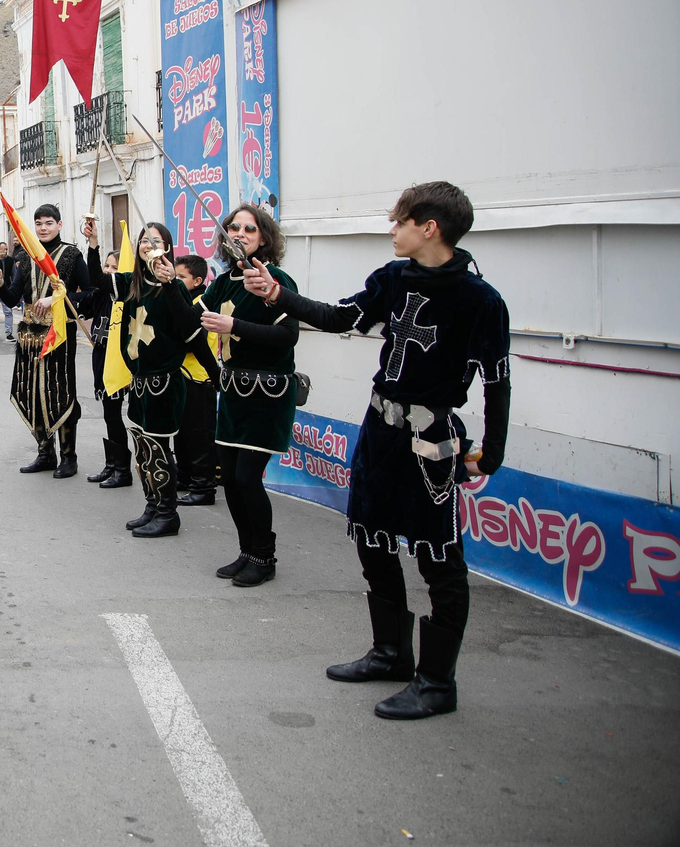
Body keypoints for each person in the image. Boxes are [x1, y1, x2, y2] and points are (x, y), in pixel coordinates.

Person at [242, 181, 509, 720]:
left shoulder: (481, 300)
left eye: (399, 220)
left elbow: (497, 383)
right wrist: (278, 296)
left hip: (430, 441)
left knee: (440, 560)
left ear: (428, 227)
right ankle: (390, 653)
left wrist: (493, 453)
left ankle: (436, 683)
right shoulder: (392, 279)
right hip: (379, 434)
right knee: (372, 539)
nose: (391, 228)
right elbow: (341, 316)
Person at [197, 203, 299, 589]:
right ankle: (246, 550)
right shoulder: (224, 281)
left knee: (248, 478)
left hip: (267, 395)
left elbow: (288, 336)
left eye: (249, 229)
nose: (239, 234)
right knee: (232, 480)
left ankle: (264, 557)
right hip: (234, 394)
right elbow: (192, 318)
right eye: (233, 228)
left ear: (264, 238)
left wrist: (234, 325)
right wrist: (166, 281)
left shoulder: (276, 280)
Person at [88, 221, 201, 537]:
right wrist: (94, 243)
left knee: (160, 449)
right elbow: (97, 279)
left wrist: (171, 284)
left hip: (164, 382)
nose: (149, 246)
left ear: (167, 247)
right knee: (143, 449)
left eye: (156, 241)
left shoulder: (173, 288)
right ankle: (152, 506)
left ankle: (167, 514)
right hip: (140, 382)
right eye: (144, 242)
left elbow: (189, 330)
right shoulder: (131, 284)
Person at [0, 204, 90, 478]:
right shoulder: (25, 256)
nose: (43, 228)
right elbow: (12, 298)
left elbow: (90, 293)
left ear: (59, 225)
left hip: (59, 336)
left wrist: (56, 299)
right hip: (29, 337)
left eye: (48, 223)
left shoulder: (71, 254)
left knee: (60, 393)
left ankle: (69, 457)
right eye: (39, 223)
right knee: (32, 393)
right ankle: (45, 452)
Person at [78, 243, 132, 490]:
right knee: (108, 413)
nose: (109, 271)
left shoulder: (127, 295)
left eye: (114, 267)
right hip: (99, 353)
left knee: (114, 412)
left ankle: (123, 470)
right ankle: (112, 465)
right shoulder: (100, 292)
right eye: (106, 266)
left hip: (117, 358)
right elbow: (82, 307)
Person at [174, 254, 221, 507]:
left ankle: (204, 487)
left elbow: (193, 341)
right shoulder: (183, 299)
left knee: (199, 435)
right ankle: (184, 477)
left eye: (182, 277)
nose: (177, 280)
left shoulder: (204, 302)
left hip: (200, 377)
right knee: (180, 434)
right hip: (180, 376)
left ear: (198, 280)